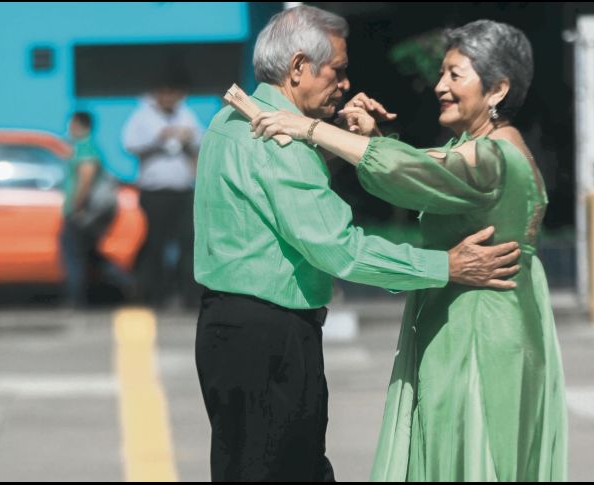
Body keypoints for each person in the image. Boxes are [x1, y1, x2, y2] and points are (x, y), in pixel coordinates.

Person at [195, 7, 521, 482]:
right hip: (270, 338)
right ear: (299, 67)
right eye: (339, 70)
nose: (346, 84)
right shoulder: (276, 138)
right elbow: (340, 248)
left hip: (228, 330)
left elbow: (283, 199)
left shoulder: (231, 120)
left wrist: (338, 142)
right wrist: (446, 266)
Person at [122, 72, 204, 309]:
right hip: (154, 192)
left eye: (174, 93)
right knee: (154, 244)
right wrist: (159, 138)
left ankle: (189, 296)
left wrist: (187, 138)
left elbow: (201, 141)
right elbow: (129, 144)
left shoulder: (186, 115)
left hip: (182, 191)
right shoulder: (143, 117)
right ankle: (153, 296)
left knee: (188, 243)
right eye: (165, 92)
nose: (170, 97)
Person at [60, 111, 134, 308]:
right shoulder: (85, 147)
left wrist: (76, 205)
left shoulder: (85, 147)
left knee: (74, 254)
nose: (68, 129)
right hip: (87, 212)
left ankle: (77, 300)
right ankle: (128, 286)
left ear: (78, 124)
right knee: (90, 255)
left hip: (81, 211)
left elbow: (86, 176)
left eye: (71, 124)